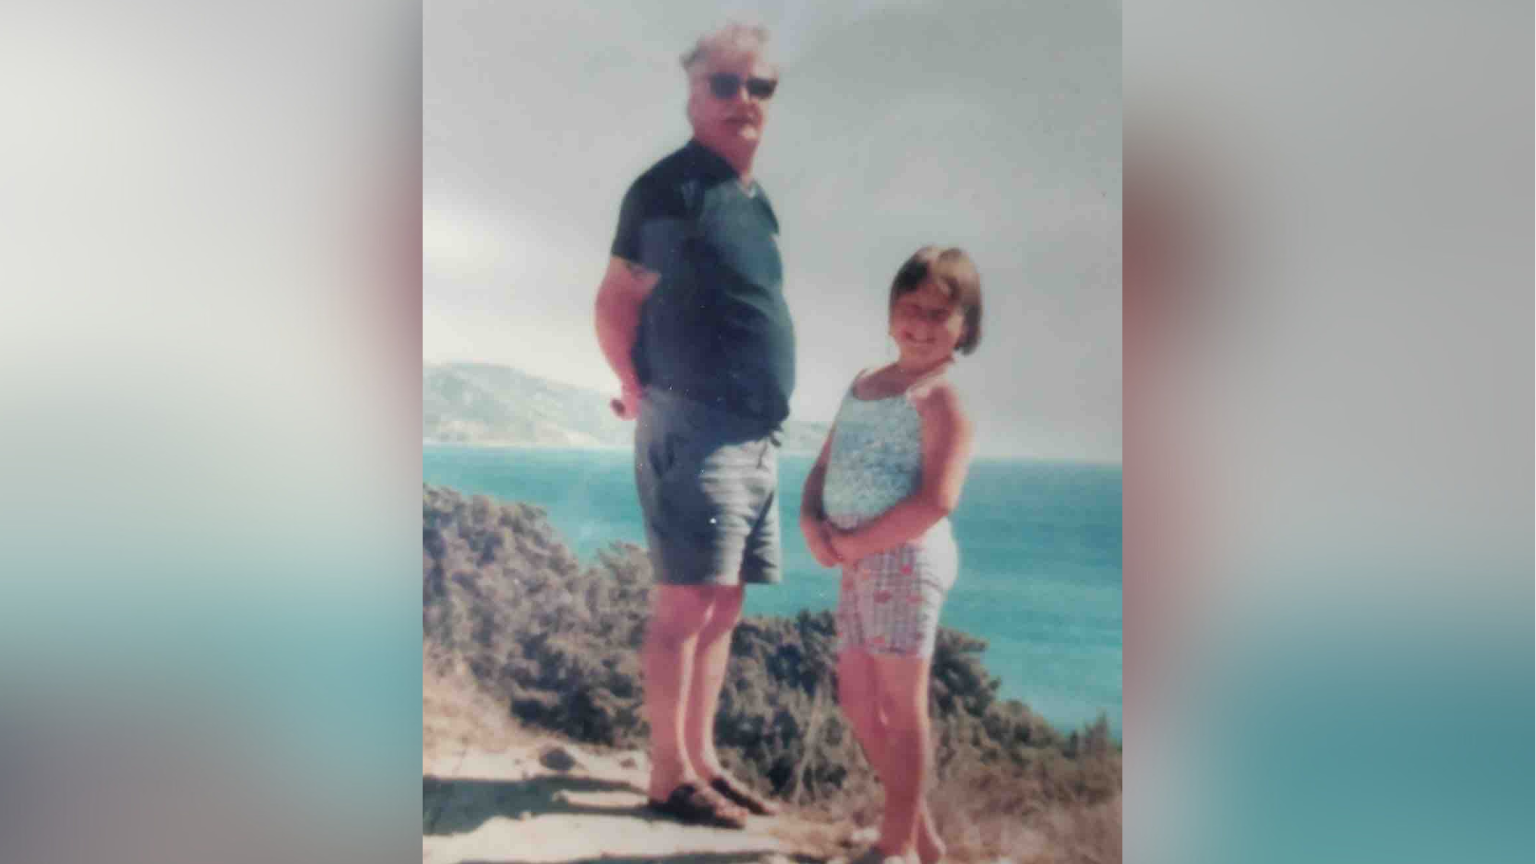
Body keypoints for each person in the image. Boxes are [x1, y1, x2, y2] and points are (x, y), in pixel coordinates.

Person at [593, 22, 792, 830]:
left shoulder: (751, 197)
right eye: (725, 84)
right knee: (684, 607)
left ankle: (703, 761)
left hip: (753, 435)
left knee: (723, 605)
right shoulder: (671, 189)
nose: (744, 100)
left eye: (760, 87)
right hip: (697, 425)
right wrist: (636, 387)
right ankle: (667, 777)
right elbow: (616, 302)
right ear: (693, 93)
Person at [800, 246, 982, 864]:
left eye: (941, 313)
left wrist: (852, 543)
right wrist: (809, 520)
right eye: (911, 308)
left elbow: (937, 500)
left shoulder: (940, 400)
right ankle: (924, 840)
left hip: (905, 564)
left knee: (903, 710)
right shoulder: (863, 385)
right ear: (889, 313)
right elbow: (825, 464)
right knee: (856, 700)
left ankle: (894, 846)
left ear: (966, 328)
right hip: (857, 562)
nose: (923, 324)